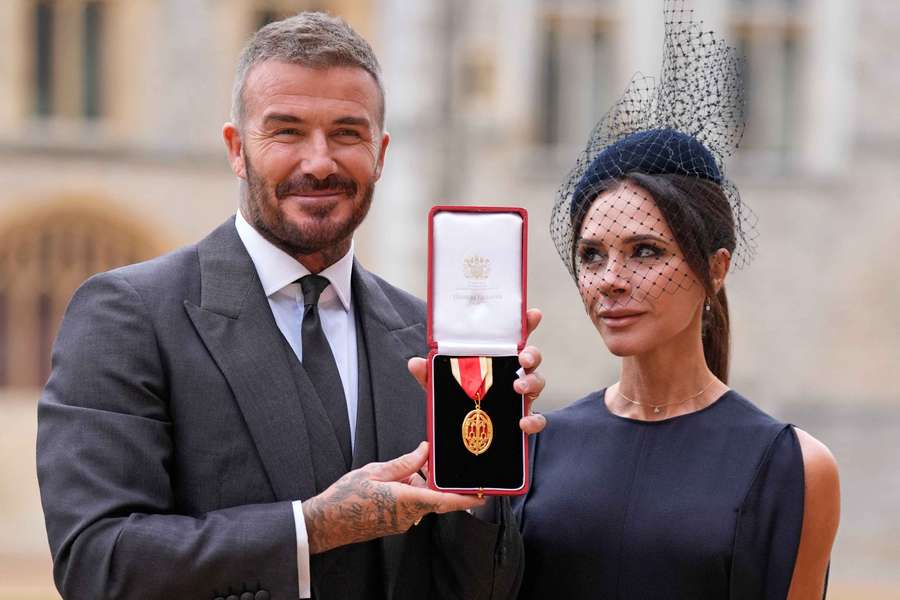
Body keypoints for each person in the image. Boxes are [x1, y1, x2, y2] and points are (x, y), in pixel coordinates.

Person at [36, 12, 546, 600]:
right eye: (286, 132)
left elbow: (483, 589)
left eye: (348, 133)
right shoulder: (130, 315)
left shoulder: (429, 340)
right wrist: (312, 528)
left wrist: (483, 478)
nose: (320, 161)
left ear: (380, 153)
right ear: (236, 149)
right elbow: (97, 563)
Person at [513, 5, 839, 600]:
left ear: (715, 268)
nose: (610, 279)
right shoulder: (534, 446)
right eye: (591, 255)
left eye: (644, 252)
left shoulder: (793, 466)